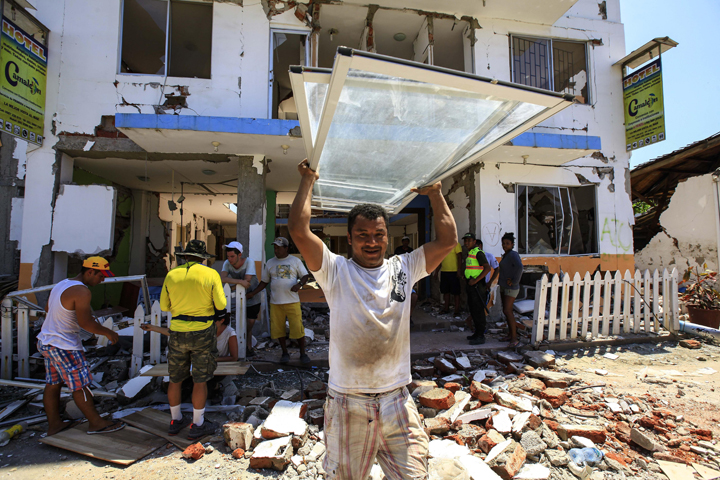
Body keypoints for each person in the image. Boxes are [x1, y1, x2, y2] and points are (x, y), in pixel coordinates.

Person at [288, 159, 457, 480]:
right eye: (362, 234)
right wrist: (308, 180)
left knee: (414, 475)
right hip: (348, 403)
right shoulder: (335, 271)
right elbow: (298, 229)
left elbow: (447, 240)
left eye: (379, 234)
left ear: (387, 237)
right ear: (349, 239)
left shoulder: (404, 267)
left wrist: (435, 193)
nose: (371, 241)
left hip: (397, 399)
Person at [37, 256, 125, 436]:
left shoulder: (62, 284)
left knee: (53, 384)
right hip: (64, 345)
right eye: (101, 276)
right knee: (80, 385)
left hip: (47, 341)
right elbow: (86, 323)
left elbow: (48, 309)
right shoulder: (82, 291)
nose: (103, 280)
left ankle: (54, 424)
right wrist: (108, 332)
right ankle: (96, 423)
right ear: (90, 271)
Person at [160, 239, 227, 439]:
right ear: (203, 258)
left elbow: (164, 306)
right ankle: (197, 423)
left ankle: (175, 419)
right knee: (200, 379)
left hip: (178, 330)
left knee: (175, 378)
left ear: (186, 256)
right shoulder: (210, 274)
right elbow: (221, 304)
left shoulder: (172, 275)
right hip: (203, 330)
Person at [248, 237, 311, 364]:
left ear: (286, 248)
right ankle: (284, 353)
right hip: (276, 303)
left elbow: (305, 275)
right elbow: (264, 282)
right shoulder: (270, 263)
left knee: (297, 328)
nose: (276, 250)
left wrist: (299, 285)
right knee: (278, 330)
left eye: (278, 247)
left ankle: (303, 354)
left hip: (292, 301)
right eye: (275, 247)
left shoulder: (295, 261)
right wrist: (253, 293)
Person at [220, 241, 260, 357]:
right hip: (238, 297)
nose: (230, 259)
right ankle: (245, 347)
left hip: (253, 296)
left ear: (239, 255)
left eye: (232, 256)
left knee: (250, 322)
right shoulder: (227, 263)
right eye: (228, 256)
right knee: (240, 321)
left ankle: (248, 346)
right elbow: (222, 278)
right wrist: (239, 282)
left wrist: (233, 285)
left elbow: (248, 280)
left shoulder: (249, 262)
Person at [463, 232, 490, 345]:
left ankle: (481, 335)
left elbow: (487, 268)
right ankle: (476, 333)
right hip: (471, 286)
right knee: (473, 310)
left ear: (474, 242)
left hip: (478, 286)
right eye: (466, 240)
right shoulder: (470, 252)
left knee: (479, 311)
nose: (467, 242)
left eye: (469, 240)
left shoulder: (478, 252)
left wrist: (475, 280)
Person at [498, 232, 524, 348]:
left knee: (508, 311)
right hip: (504, 286)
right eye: (503, 243)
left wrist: (514, 281)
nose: (505, 245)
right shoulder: (506, 255)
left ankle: (514, 338)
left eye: (507, 244)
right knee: (505, 311)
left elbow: (519, 267)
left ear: (512, 244)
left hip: (511, 288)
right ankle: (510, 334)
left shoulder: (513, 254)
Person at [435, 242, 462, 315]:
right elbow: (440, 260)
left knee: (456, 292)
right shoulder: (442, 246)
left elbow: (459, 256)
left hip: (454, 272)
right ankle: (446, 308)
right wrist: (436, 271)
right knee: (445, 291)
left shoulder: (456, 244)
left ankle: (456, 310)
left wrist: (459, 269)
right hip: (444, 271)